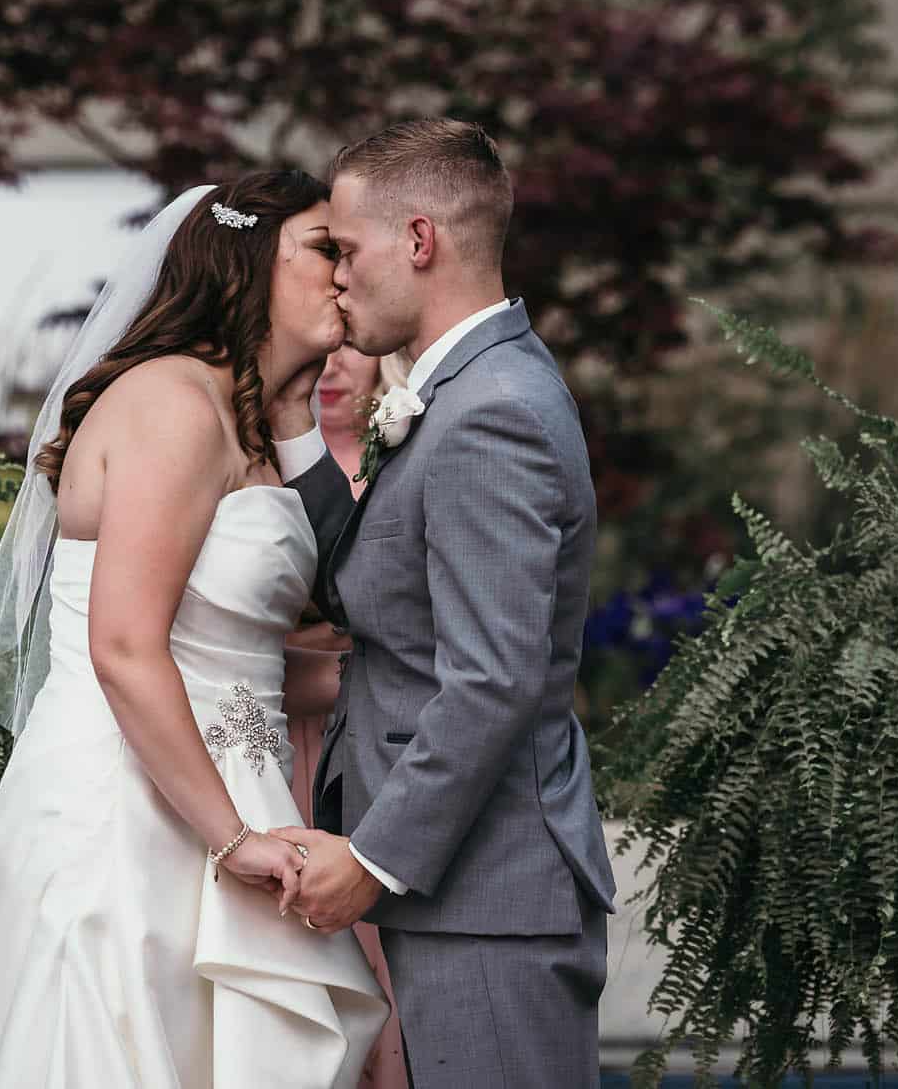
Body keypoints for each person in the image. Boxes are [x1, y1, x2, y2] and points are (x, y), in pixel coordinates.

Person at [0, 172, 387, 1088]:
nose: (346, 273)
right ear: (248, 259)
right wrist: (232, 838)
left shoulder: (249, 422)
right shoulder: (173, 405)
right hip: (129, 814)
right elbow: (125, 646)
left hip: (221, 793)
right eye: (323, 248)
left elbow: (254, 653)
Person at [266, 118, 616, 1088]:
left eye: (345, 248)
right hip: (471, 895)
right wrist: (295, 422)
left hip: (490, 899)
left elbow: (492, 677)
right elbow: (366, 584)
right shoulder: (462, 389)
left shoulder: (487, 409)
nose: (334, 276)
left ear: (417, 240)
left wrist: (372, 858)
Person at [283, 345, 411, 1089]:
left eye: (348, 352)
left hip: (361, 753)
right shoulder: (258, 456)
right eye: (316, 354)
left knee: (367, 961)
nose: (330, 368)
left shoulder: (397, 459)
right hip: (267, 739)